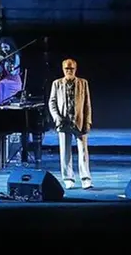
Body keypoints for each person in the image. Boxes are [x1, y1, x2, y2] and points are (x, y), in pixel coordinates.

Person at [48, 59, 93, 190]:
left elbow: (87, 104)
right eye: (67, 69)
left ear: (75, 69)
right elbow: (52, 102)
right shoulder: (56, 84)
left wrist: (88, 121)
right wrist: (56, 117)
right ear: (63, 69)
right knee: (65, 152)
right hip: (63, 122)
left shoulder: (83, 83)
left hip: (79, 121)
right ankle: (68, 178)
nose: (69, 71)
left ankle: (86, 179)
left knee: (83, 151)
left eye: (71, 69)